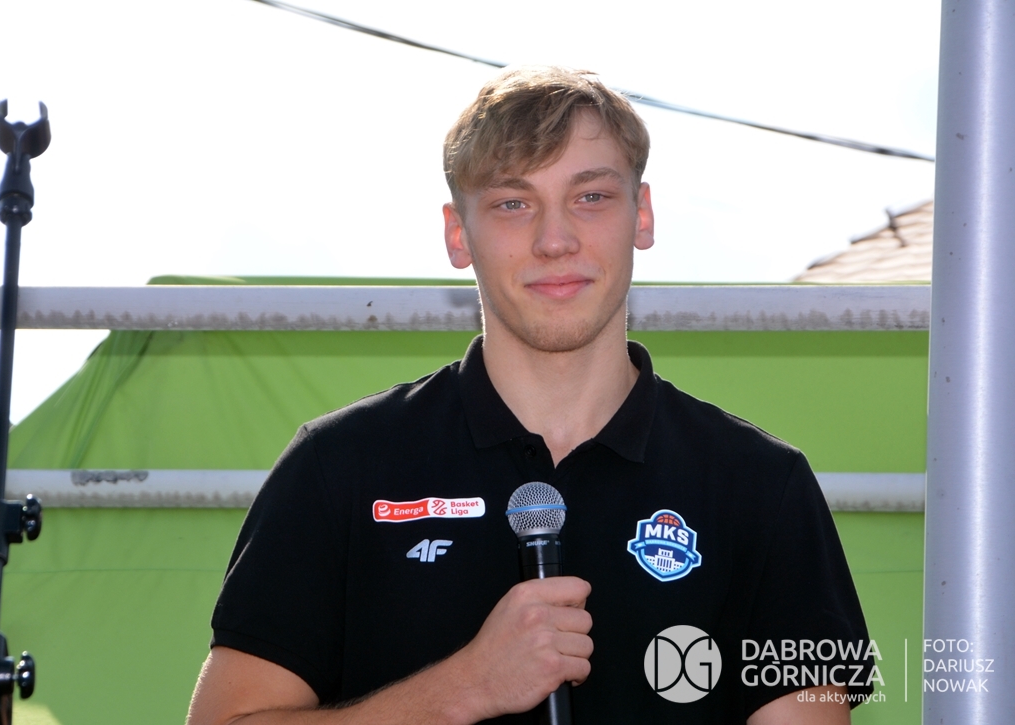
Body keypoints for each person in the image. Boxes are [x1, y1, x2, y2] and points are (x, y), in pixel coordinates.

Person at [187, 66, 873, 724]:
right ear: (458, 233)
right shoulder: (338, 465)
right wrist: (463, 688)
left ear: (642, 215)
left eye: (591, 196)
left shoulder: (762, 485)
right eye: (513, 203)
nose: (555, 239)